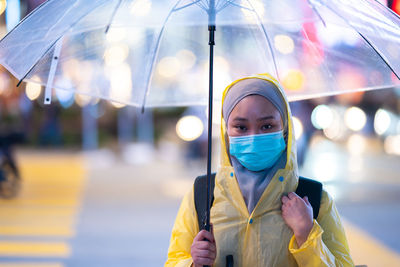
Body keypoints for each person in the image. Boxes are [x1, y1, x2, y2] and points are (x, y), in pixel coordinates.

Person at [165, 74, 354, 266]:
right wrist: (193, 263)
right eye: (241, 127)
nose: (254, 137)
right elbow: (174, 260)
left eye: (267, 126)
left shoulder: (315, 200)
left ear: (285, 129)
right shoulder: (202, 195)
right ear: (226, 132)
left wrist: (306, 234)